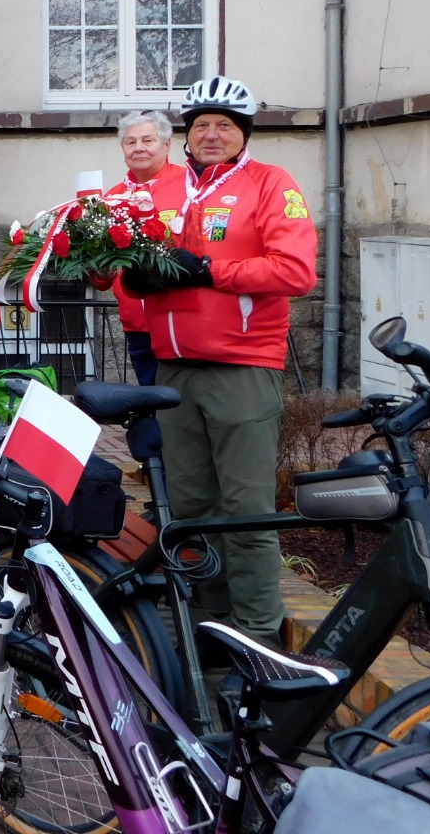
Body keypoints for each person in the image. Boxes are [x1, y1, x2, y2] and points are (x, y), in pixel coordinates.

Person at [121, 76, 317, 648]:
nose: (211, 134)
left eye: (224, 125)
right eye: (201, 124)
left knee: (246, 513)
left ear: (244, 134)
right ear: (186, 134)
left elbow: (295, 270)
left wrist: (209, 271)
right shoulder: (168, 188)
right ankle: (209, 627)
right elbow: (138, 269)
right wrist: (135, 279)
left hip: (241, 369)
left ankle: (257, 637)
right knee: (191, 510)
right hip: (173, 371)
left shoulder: (270, 183)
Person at [93, 111, 186, 457]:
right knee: (154, 410)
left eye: (148, 140)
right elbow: (101, 278)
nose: (138, 148)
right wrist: (98, 269)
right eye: (130, 141)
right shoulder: (112, 198)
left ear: (167, 144)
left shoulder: (190, 186)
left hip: (182, 322)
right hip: (140, 329)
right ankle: (160, 480)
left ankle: (182, 482)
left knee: (184, 413)